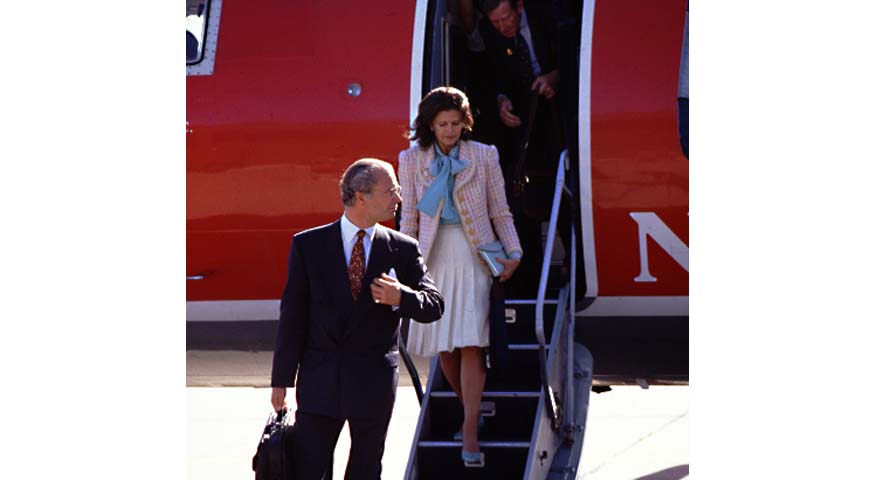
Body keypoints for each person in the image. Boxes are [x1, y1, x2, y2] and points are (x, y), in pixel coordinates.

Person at [270, 158, 444, 479]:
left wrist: (401, 297)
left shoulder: (403, 249)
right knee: (308, 471)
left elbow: (434, 304)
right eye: (391, 190)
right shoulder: (309, 245)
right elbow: (292, 317)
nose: (398, 198)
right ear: (361, 196)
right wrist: (280, 379)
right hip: (320, 384)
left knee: (365, 471)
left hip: (373, 386)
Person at [399, 86, 522, 467]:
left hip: (475, 254)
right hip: (433, 256)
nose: (450, 130)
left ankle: (470, 428)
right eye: (442, 124)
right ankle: (469, 406)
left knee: (472, 341)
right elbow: (409, 218)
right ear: (430, 125)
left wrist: (513, 250)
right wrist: (405, 259)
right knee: (445, 347)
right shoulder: (411, 158)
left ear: (464, 122)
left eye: (455, 123)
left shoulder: (484, 155)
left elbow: (499, 209)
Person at [479, 0, 565, 296]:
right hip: (527, 126)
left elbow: (577, 58)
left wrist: (556, 77)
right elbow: (496, 77)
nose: (503, 27)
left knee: (563, 195)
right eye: (496, 23)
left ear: (519, 7)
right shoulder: (491, 34)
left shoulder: (548, 17)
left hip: (562, 118)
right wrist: (502, 101)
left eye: (506, 18)